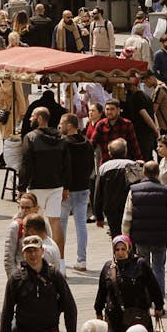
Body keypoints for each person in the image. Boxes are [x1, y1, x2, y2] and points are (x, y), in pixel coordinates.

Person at [94, 235, 163, 332]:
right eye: (117, 249)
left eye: (123, 249)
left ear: (129, 249)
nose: (120, 253)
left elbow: (154, 287)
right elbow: (102, 291)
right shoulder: (108, 268)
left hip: (138, 319)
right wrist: (98, 311)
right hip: (114, 320)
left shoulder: (140, 265)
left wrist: (159, 306)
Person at [122, 161, 167, 296]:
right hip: (160, 238)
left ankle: (145, 296)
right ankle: (158, 296)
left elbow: (127, 217)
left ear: (144, 173)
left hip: (140, 238)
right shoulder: (166, 191)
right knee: (159, 268)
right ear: (158, 174)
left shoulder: (134, 191)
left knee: (143, 267)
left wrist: (125, 238)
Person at [21, 106, 70, 259]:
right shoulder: (62, 138)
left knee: (32, 221)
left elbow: (26, 165)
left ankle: (35, 256)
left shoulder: (30, 137)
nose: (30, 118)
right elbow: (67, 165)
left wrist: (21, 187)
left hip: (36, 185)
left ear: (40, 119)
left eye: (33, 116)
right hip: (56, 184)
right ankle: (60, 261)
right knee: (55, 221)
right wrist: (66, 186)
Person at [59, 113, 95, 272]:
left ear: (70, 125)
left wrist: (64, 186)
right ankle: (82, 260)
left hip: (66, 190)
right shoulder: (87, 142)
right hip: (83, 188)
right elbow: (90, 166)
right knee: (81, 224)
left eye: (62, 123)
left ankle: (60, 258)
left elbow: (62, 167)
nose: (59, 126)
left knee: (61, 224)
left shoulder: (63, 143)